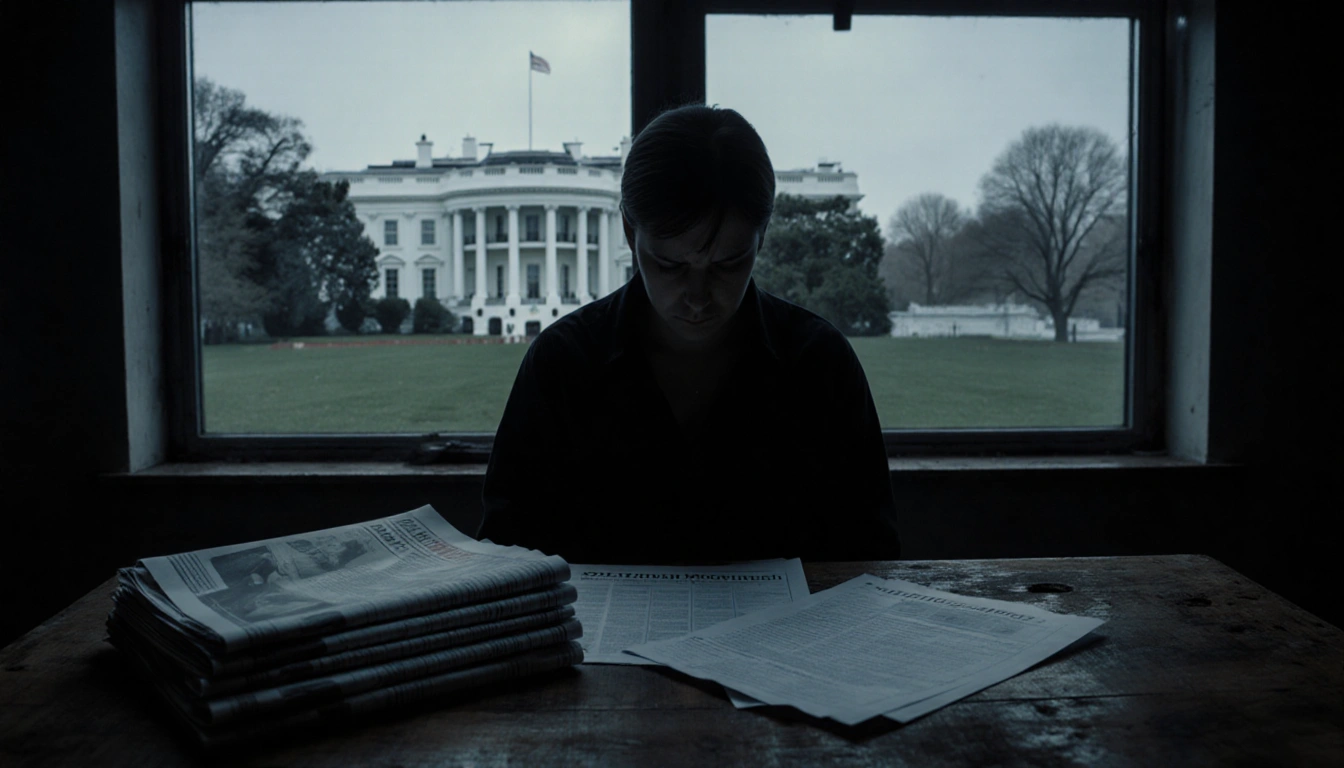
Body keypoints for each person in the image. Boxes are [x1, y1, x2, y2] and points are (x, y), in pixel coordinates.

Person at [478, 104, 900, 563]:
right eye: (670, 265)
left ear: (763, 235)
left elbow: (869, 552)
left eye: (727, 264)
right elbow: (507, 551)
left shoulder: (820, 364)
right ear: (628, 230)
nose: (697, 297)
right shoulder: (561, 363)